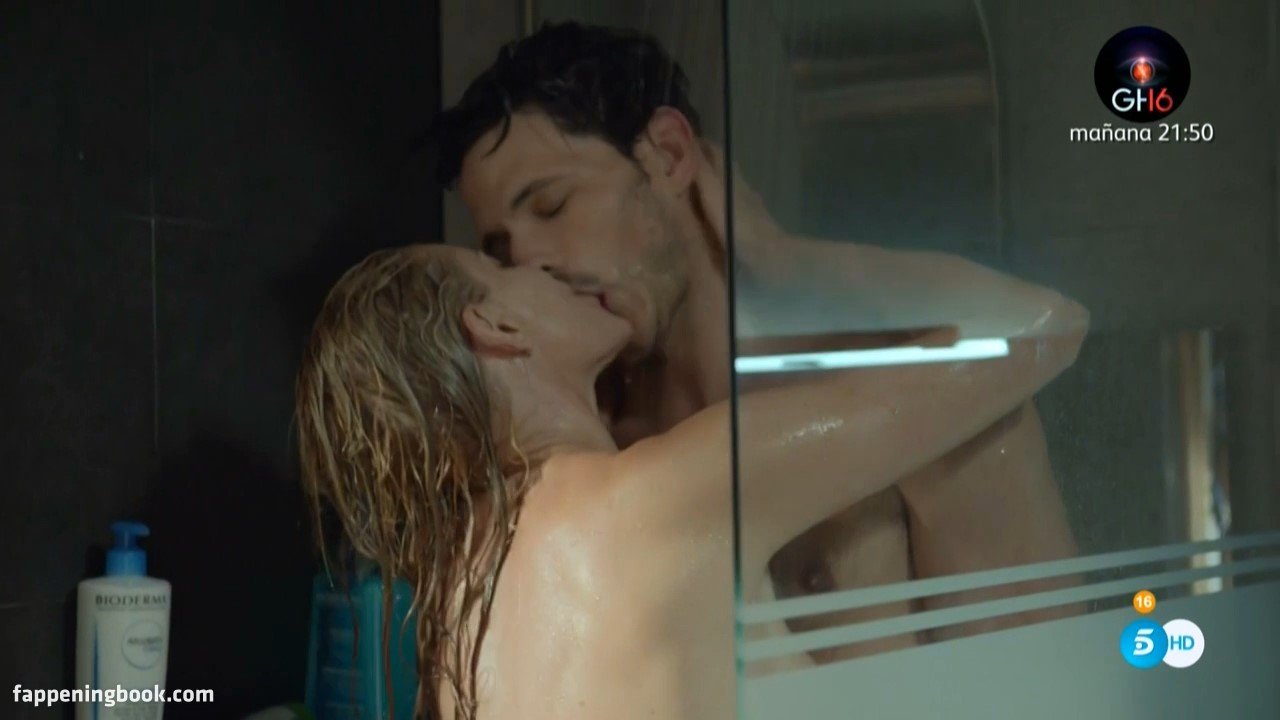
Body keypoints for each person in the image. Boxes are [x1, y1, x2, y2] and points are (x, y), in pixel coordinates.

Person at [431, 21, 1085, 659]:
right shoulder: (593, 452)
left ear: (669, 155)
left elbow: (1037, 677)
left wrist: (783, 259)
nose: (531, 262)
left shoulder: (920, 399)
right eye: (501, 252)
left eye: (552, 206)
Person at [295, 243, 1087, 719]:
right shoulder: (658, 496)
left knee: (865, 538)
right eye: (501, 266)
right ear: (496, 327)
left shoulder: (454, 605)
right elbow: (1040, 327)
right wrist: (785, 255)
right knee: (988, 436)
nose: (538, 264)